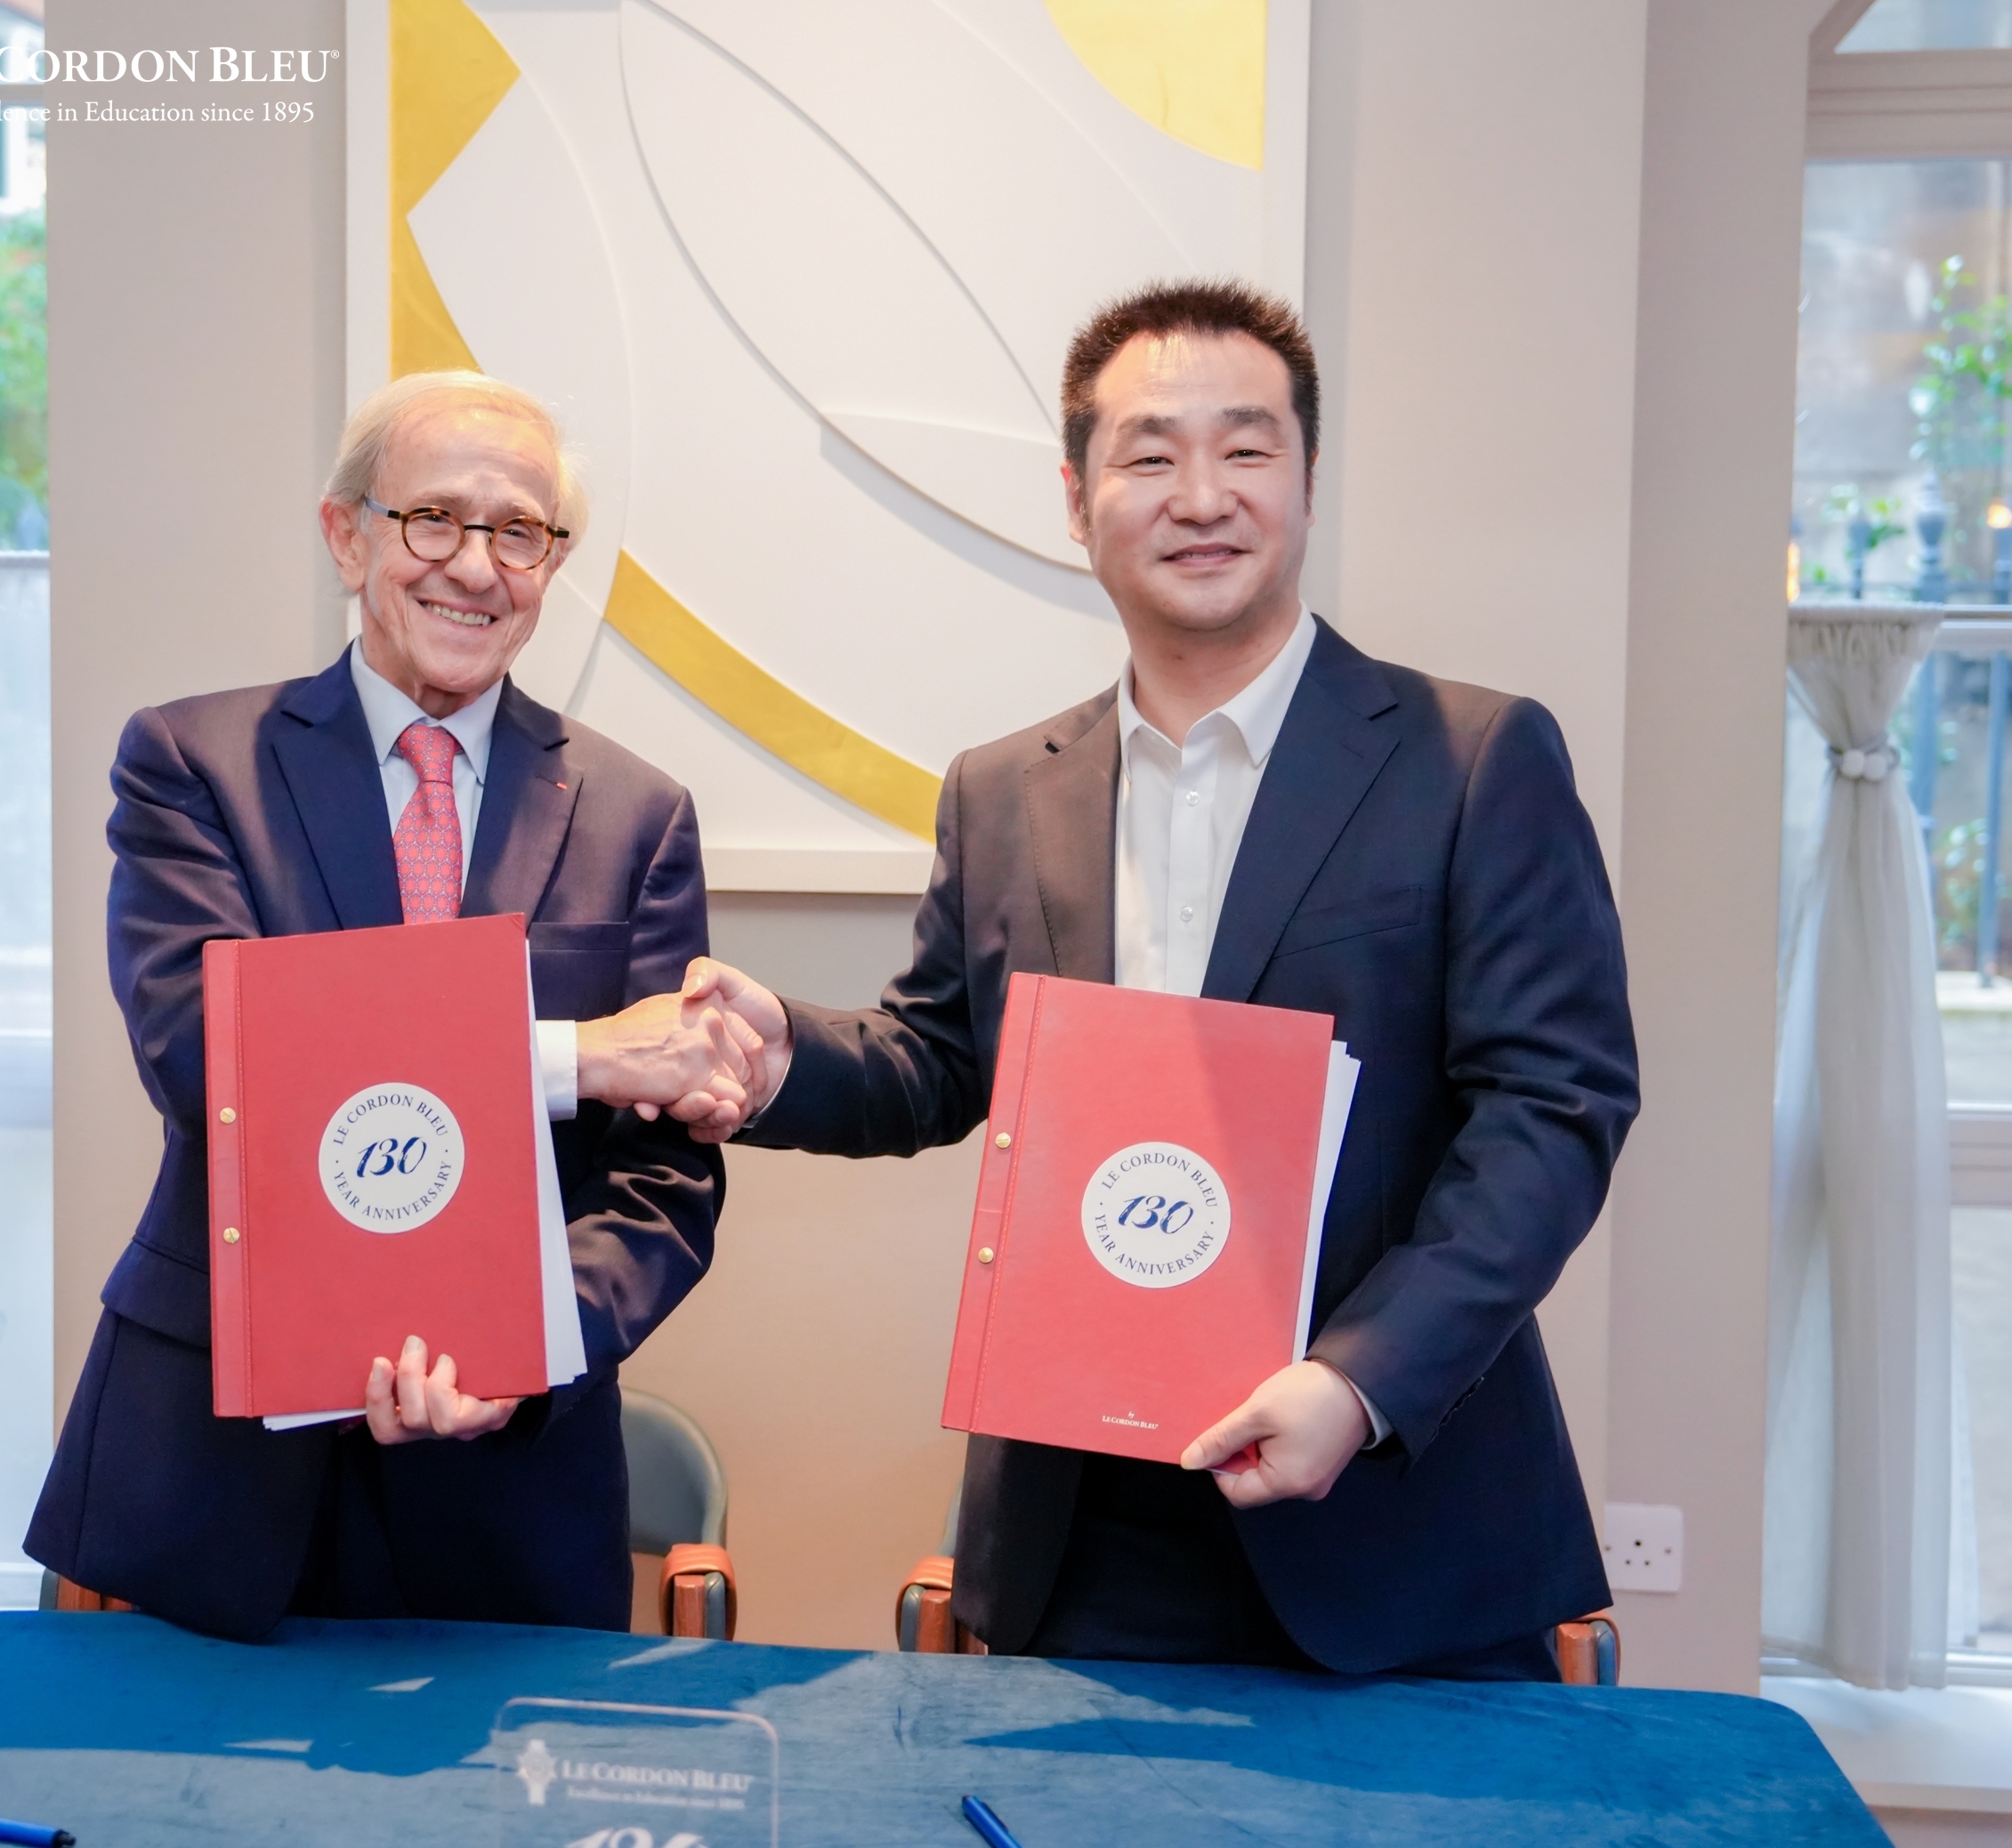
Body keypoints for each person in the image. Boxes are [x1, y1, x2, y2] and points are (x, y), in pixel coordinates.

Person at [675, 282, 1639, 1678]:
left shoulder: (1474, 757)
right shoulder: (1004, 789)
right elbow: (941, 1057)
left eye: (1246, 449)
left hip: (1390, 1524)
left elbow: (1553, 1111)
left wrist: (1358, 1380)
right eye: (1149, 455)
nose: (1202, 496)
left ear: (1308, 481)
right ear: (1078, 501)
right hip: (1087, 1533)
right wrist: (783, 1058)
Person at [27, 371, 753, 1642]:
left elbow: (662, 1181)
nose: (475, 566)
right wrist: (574, 1057)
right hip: (220, 1465)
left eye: (519, 532)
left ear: (551, 564)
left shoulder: (639, 817)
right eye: (434, 518)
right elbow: (211, 1060)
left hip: (508, 1493)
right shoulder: (195, 764)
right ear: (348, 535)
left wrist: (528, 1349)